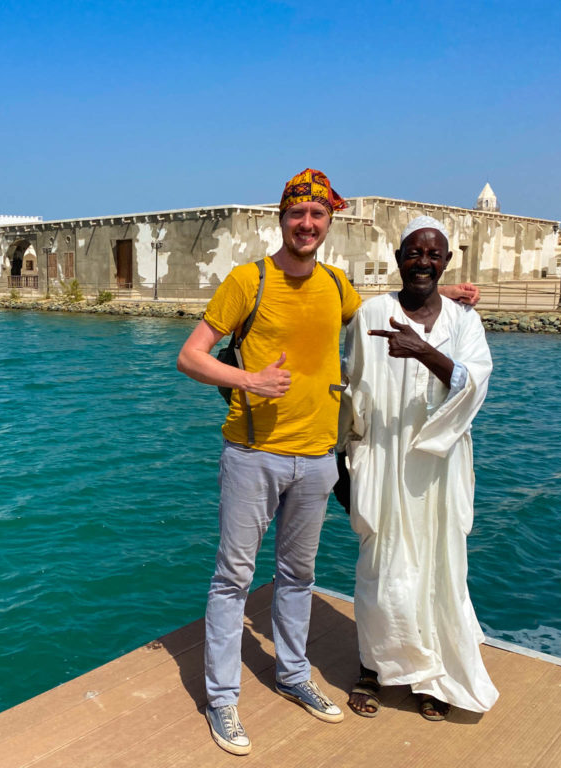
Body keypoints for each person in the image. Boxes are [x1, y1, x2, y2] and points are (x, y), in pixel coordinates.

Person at [177, 172, 480, 756]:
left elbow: (390, 311)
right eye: (297, 215)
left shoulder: (339, 287)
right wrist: (248, 379)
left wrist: (454, 297)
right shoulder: (248, 281)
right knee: (232, 580)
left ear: (328, 224)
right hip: (253, 454)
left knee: (297, 578)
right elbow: (191, 355)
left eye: (317, 216)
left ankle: (293, 677)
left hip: (318, 460)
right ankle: (223, 699)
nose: (307, 225)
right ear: (281, 219)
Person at [340, 215, 498, 722]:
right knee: (382, 571)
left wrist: (424, 351)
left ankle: (428, 675)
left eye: (434, 254)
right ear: (399, 260)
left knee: (437, 573)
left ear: (447, 262)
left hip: (439, 471)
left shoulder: (463, 322)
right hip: (383, 463)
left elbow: (476, 386)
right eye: (414, 253)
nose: (423, 262)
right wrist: (345, 466)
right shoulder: (371, 314)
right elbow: (349, 392)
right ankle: (374, 666)